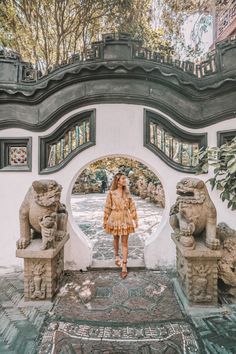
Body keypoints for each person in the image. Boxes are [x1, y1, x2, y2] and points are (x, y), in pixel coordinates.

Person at [103, 172, 138, 279]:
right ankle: (116, 256)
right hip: (114, 217)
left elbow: (132, 205)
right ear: (117, 181)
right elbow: (108, 207)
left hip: (125, 218)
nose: (124, 180)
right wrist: (105, 220)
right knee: (116, 239)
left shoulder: (127, 192)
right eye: (123, 179)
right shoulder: (111, 193)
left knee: (125, 242)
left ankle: (124, 265)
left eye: (125, 178)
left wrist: (135, 218)